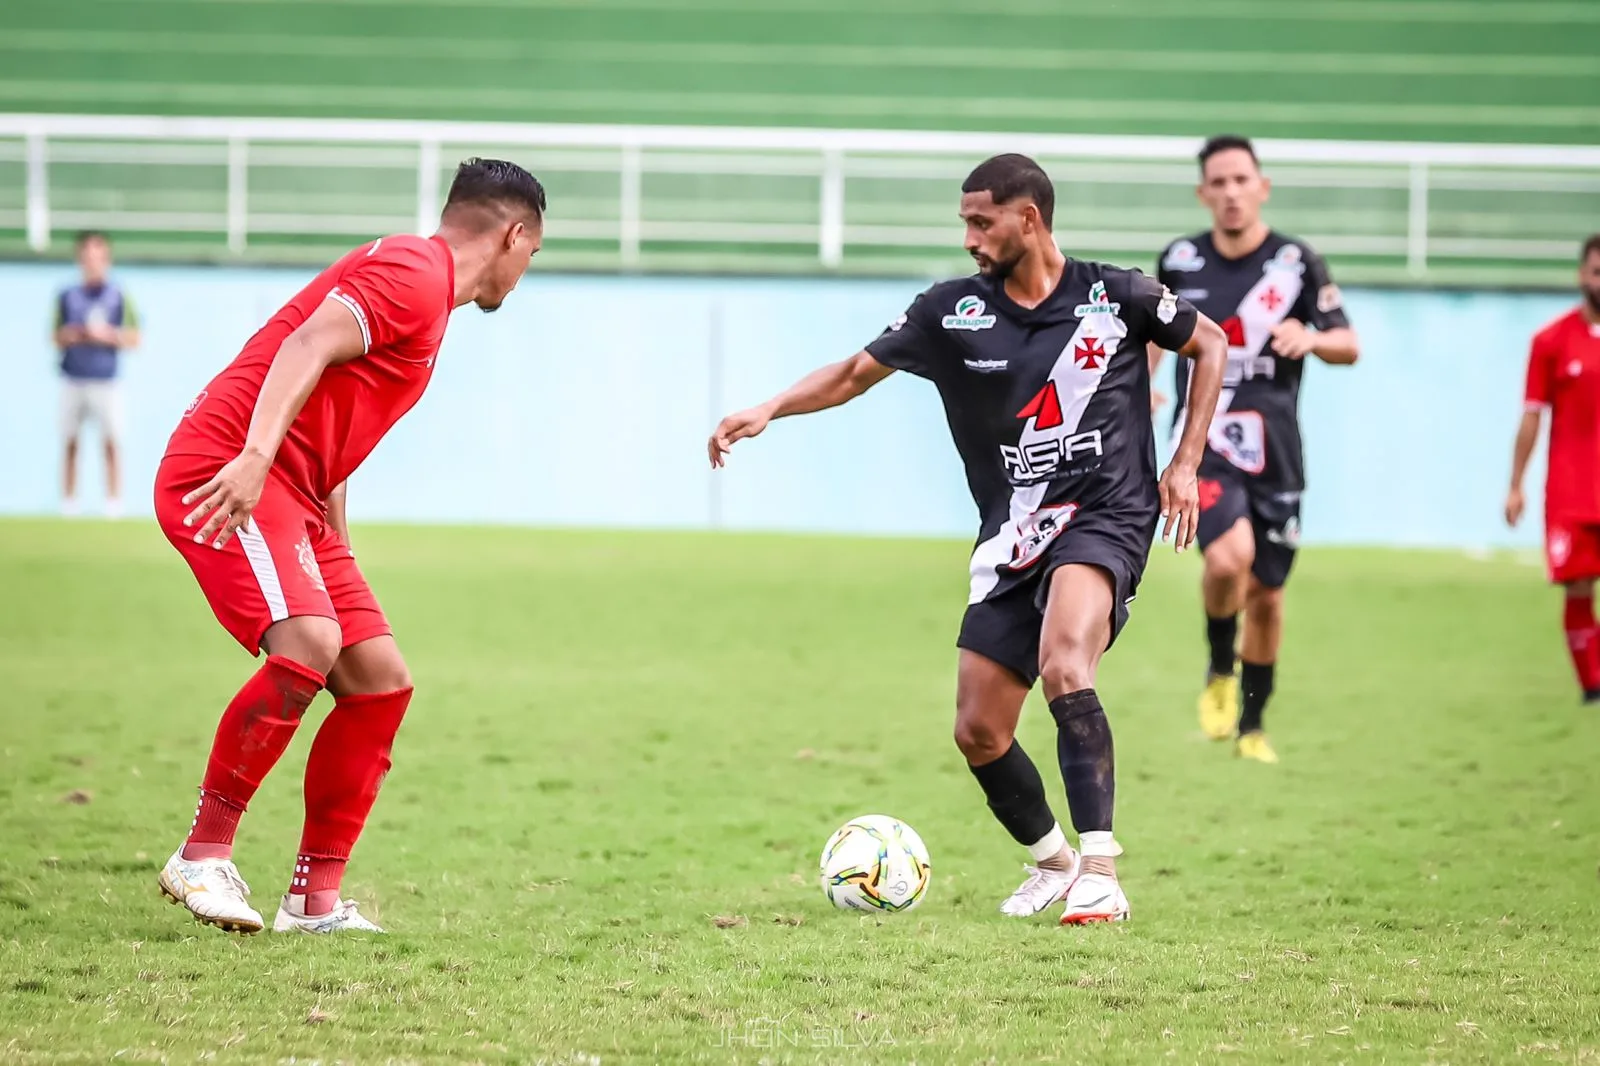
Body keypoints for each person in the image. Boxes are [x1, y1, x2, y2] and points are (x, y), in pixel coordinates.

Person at [709, 154, 1227, 924]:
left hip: (1106, 516)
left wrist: (1184, 463)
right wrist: (769, 409)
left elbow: (1210, 344)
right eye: (964, 222)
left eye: (982, 222)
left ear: (1031, 218)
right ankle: (1054, 863)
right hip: (1013, 535)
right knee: (979, 730)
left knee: (1065, 664)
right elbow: (854, 373)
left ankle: (1101, 869)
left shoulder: (1115, 294)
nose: (970, 238)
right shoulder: (953, 312)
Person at [151, 158, 546, 935]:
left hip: (301, 501)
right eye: (534, 252)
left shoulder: (427, 297)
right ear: (515, 233)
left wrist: (338, 537)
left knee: (378, 681)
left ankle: (313, 901)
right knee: (308, 642)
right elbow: (305, 346)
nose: (528, 268)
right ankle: (201, 856)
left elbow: (335, 420)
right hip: (228, 468)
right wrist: (256, 457)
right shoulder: (414, 270)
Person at [1150, 134, 1360, 764]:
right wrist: (1143, 386)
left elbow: (1348, 343)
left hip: (1276, 449)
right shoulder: (1181, 260)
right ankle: (1220, 666)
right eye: (1219, 182)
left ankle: (1252, 726)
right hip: (1204, 438)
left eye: (1242, 180)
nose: (1231, 192)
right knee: (1225, 560)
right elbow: (1155, 336)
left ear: (1261, 186)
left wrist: (1310, 338)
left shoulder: (1296, 262)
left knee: (1268, 593)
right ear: (1203, 193)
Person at [1506, 234, 1600, 703]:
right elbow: (1532, 413)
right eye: (1597, 271)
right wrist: (1515, 485)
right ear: (1583, 276)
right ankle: (1592, 685)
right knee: (1578, 588)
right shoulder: (1551, 341)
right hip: (1571, 492)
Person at [55, 230, 140, 518]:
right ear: (80, 259)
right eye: (87, 256)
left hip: (107, 380)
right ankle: (69, 502)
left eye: (98, 256)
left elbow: (134, 337)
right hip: (73, 378)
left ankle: (113, 503)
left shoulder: (118, 295)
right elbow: (55, 335)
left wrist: (107, 335)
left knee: (112, 441)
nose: (92, 262)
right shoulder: (67, 296)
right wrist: (70, 335)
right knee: (70, 441)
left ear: (106, 259)